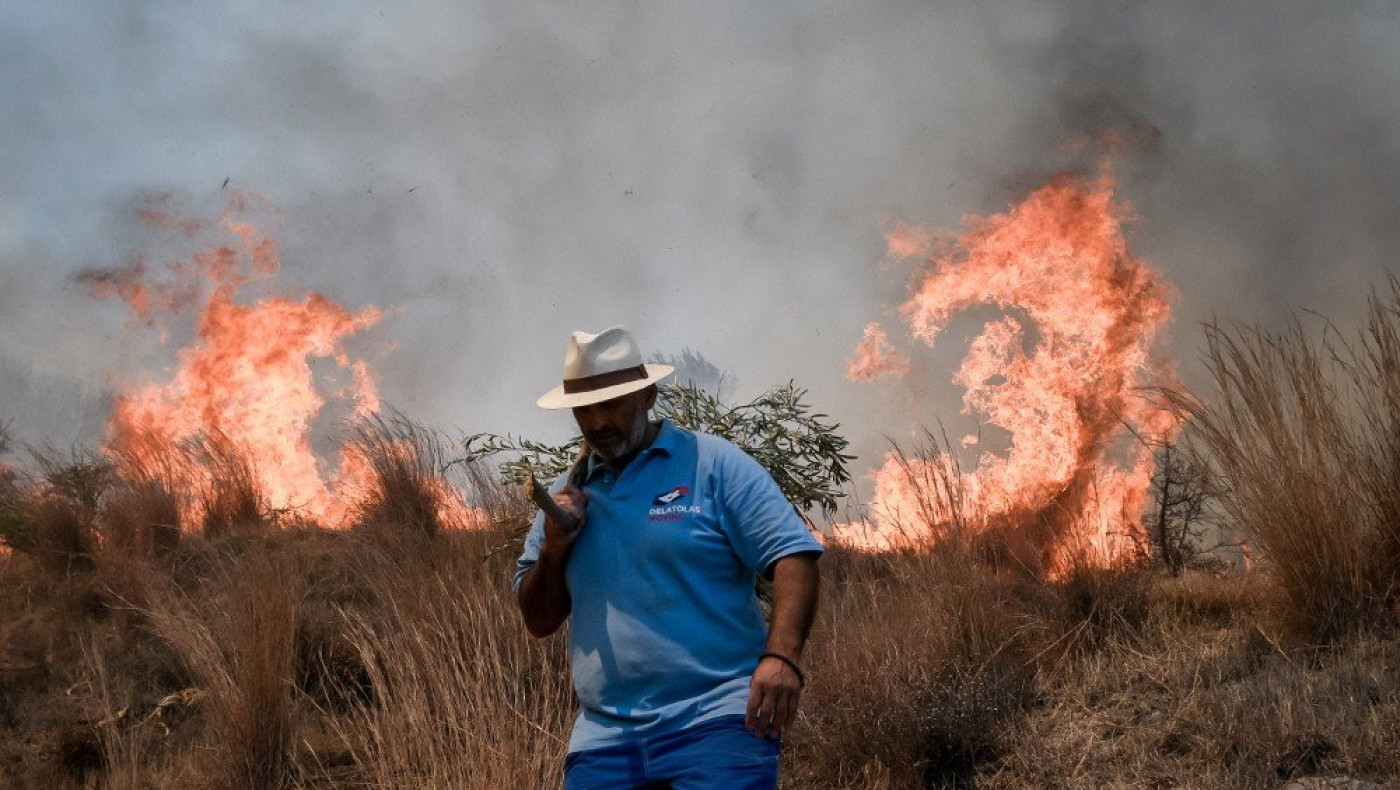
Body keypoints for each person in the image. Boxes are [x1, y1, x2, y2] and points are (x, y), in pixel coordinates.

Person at [515, 326, 823, 790]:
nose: (597, 422)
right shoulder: (567, 496)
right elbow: (538, 620)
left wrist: (782, 657)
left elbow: (792, 555)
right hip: (604, 742)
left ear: (648, 395)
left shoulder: (712, 464)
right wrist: (556, 548)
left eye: (611, 404)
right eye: (583, 409)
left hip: (718, 723)